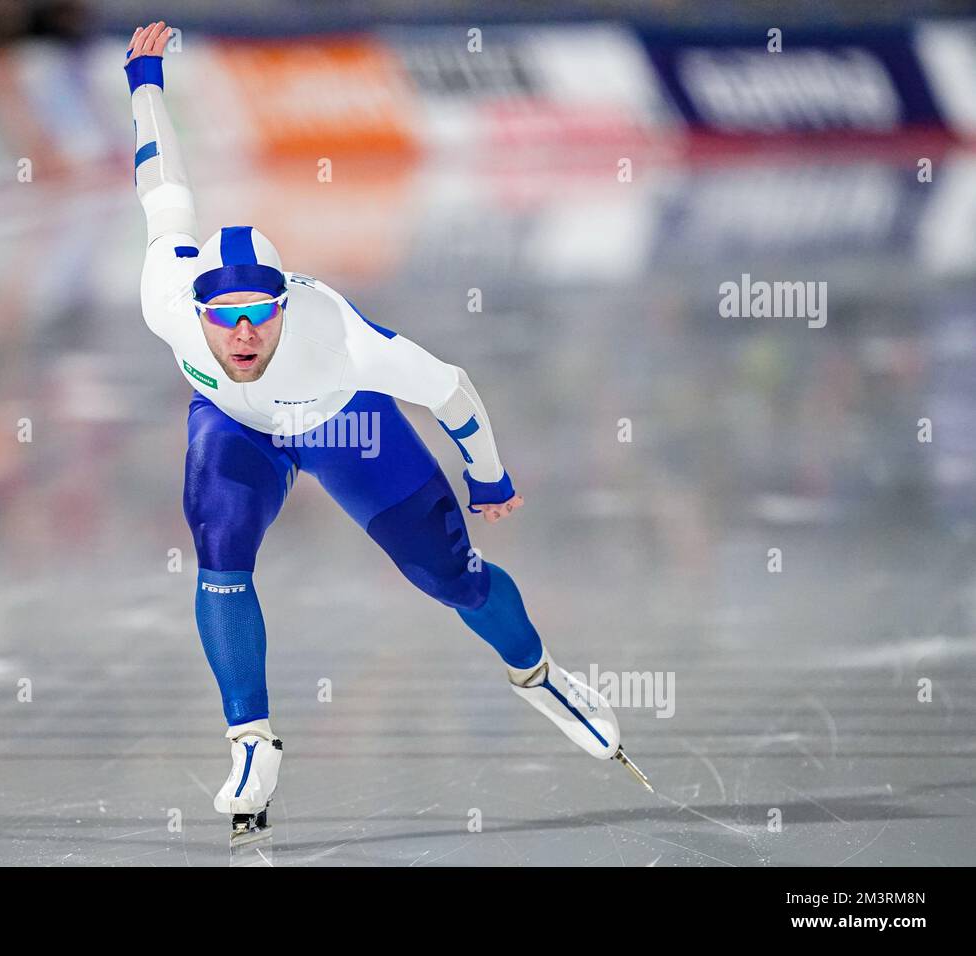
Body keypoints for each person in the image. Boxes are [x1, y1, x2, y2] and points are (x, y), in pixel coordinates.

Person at [124, 21, 650, 845]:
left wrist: (490, 476)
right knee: (219, 548)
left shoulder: (336, 334)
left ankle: (539, 676)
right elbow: (163, 183)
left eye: (258, 315)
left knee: (453, 580)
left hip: (347, 423)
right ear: (196, 313)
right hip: (240, 425)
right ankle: (252, 742)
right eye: (223, 320)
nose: (242, 337)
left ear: (284, 305)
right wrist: (143, 79)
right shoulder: (165, 294)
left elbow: (450, 389)